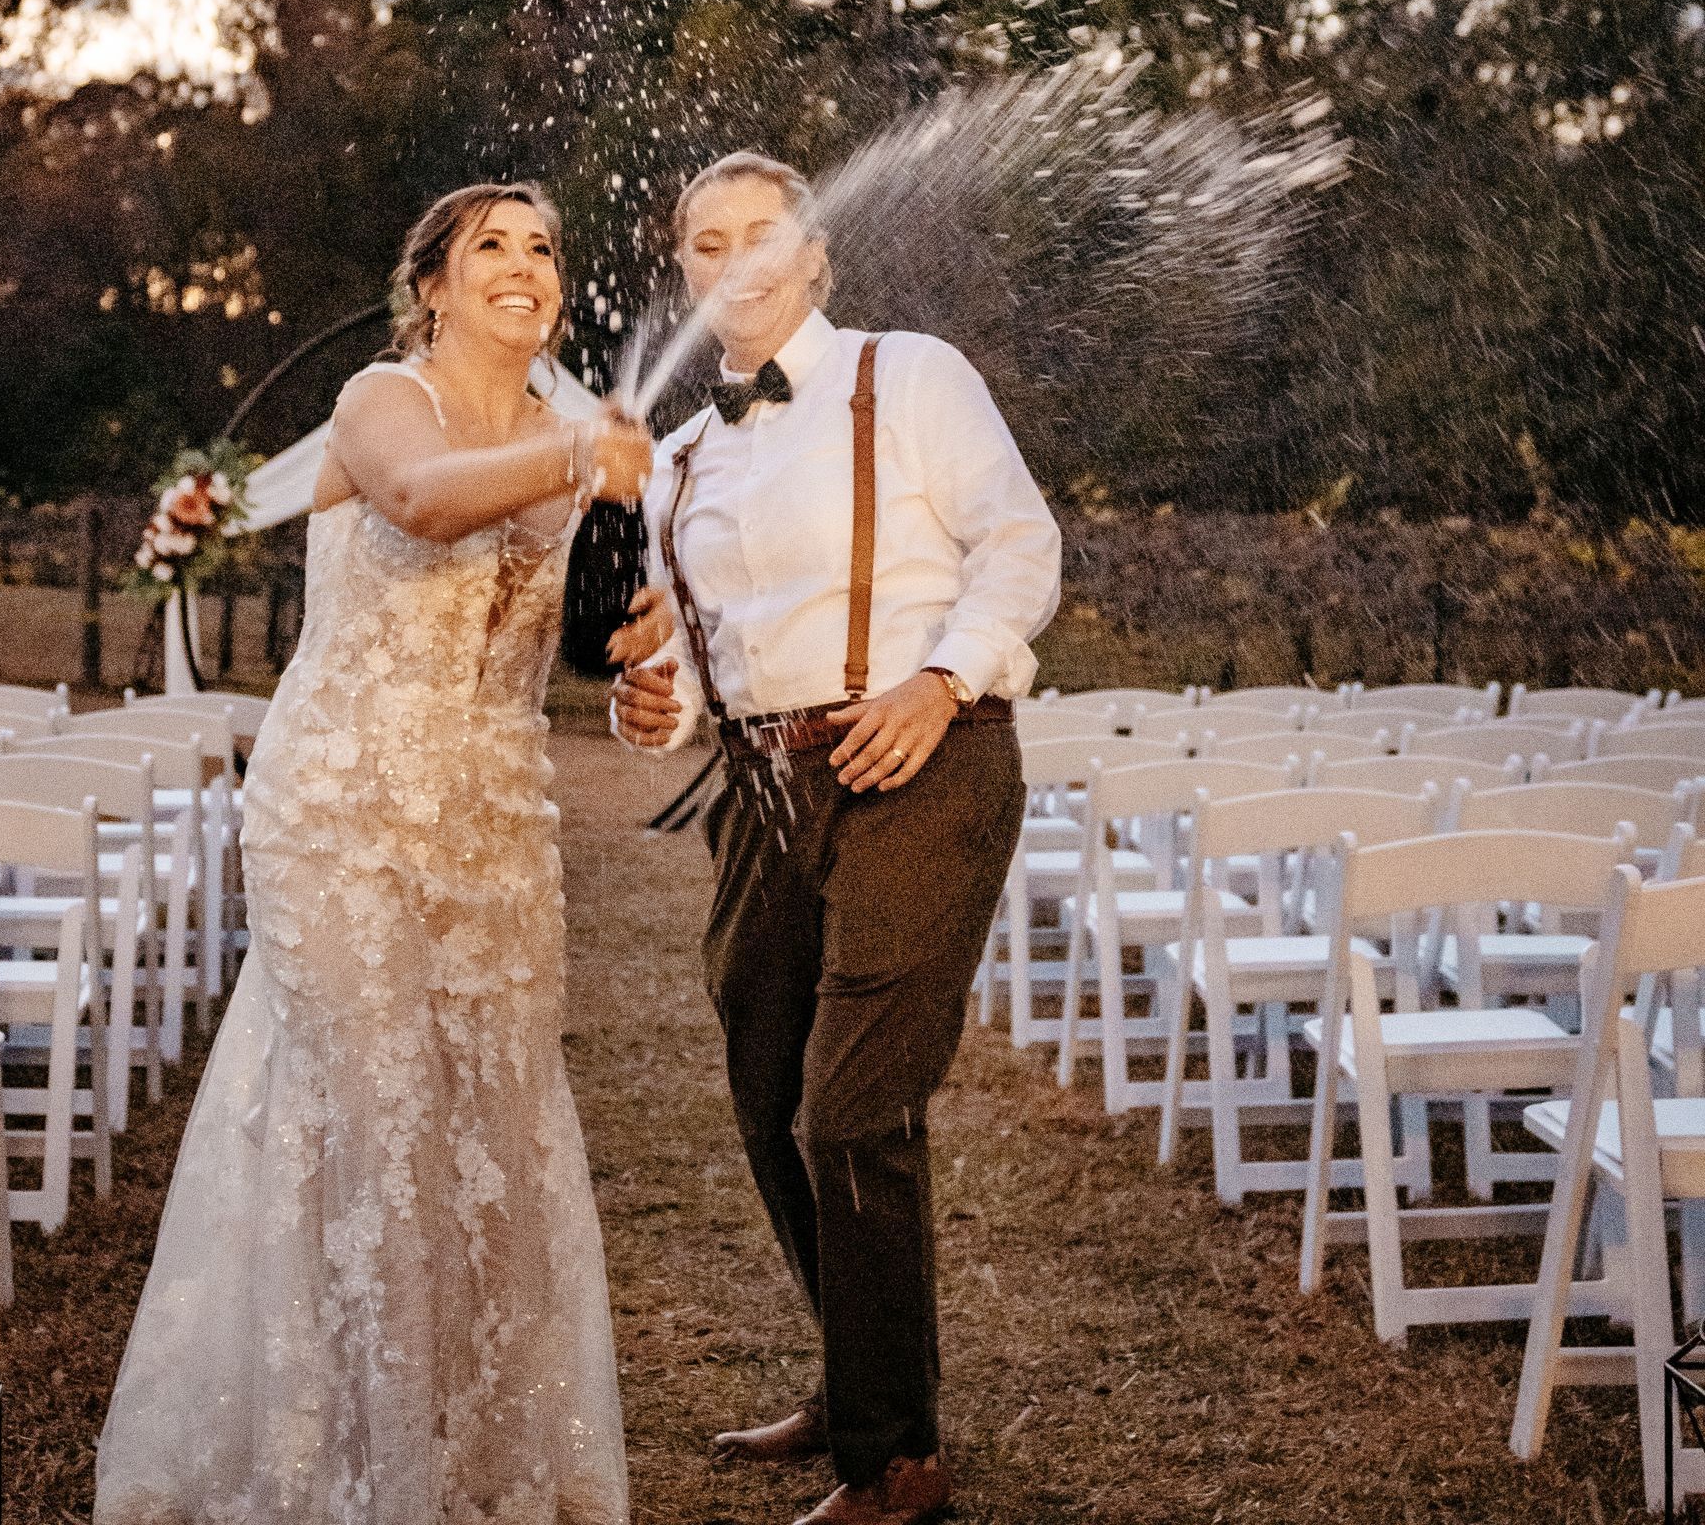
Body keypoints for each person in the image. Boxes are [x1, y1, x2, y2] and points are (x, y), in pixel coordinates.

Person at [95, 182, 648, 1525]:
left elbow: (600, 634)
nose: (524, 267)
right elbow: (424, 500)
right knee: (366, 1106)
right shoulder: (379, 401)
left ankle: (474, 1462)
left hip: (497, 817)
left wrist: (645, 680)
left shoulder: (573, 437)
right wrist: (582, 458)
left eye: (543, 250)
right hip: (340, 809)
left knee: (488, 1120)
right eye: (491, 249)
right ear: (437, 288)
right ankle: (331, 1468)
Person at [610, 152, 1061, 1525]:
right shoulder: (679, 459)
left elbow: (1022, 547)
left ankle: (895, 1457)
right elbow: (698, 665)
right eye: (704, 241)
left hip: (920, 762)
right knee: (765, 1094)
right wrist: (656, 705)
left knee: (853, 1108)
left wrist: (943, 681)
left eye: (762, 235)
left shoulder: (906, 376)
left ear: (814, 259)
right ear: (683, 271)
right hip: (762, 795)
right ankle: (860, 1371)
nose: (734, 259)